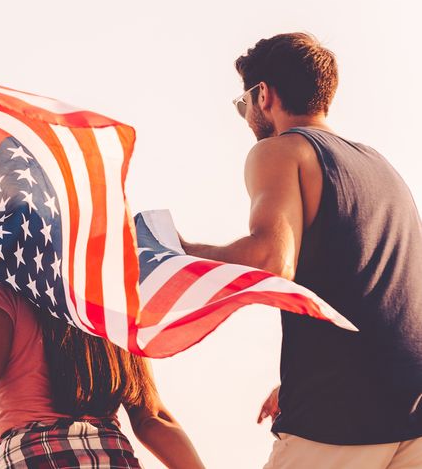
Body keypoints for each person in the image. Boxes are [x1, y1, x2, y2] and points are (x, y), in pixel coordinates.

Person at [180, 33, 422, 468]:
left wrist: (174, 251)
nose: (247, 116)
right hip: (412, 411)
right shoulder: (384, 168)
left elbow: (271, 260)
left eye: (243, 104)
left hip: (339, 418)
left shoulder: (281, 151)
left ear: (263, 95)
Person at [0, 270, 204, 469]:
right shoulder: (111, 307)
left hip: (37, 456)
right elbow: (151, 419)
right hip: (115, 457)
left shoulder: (6, 297)